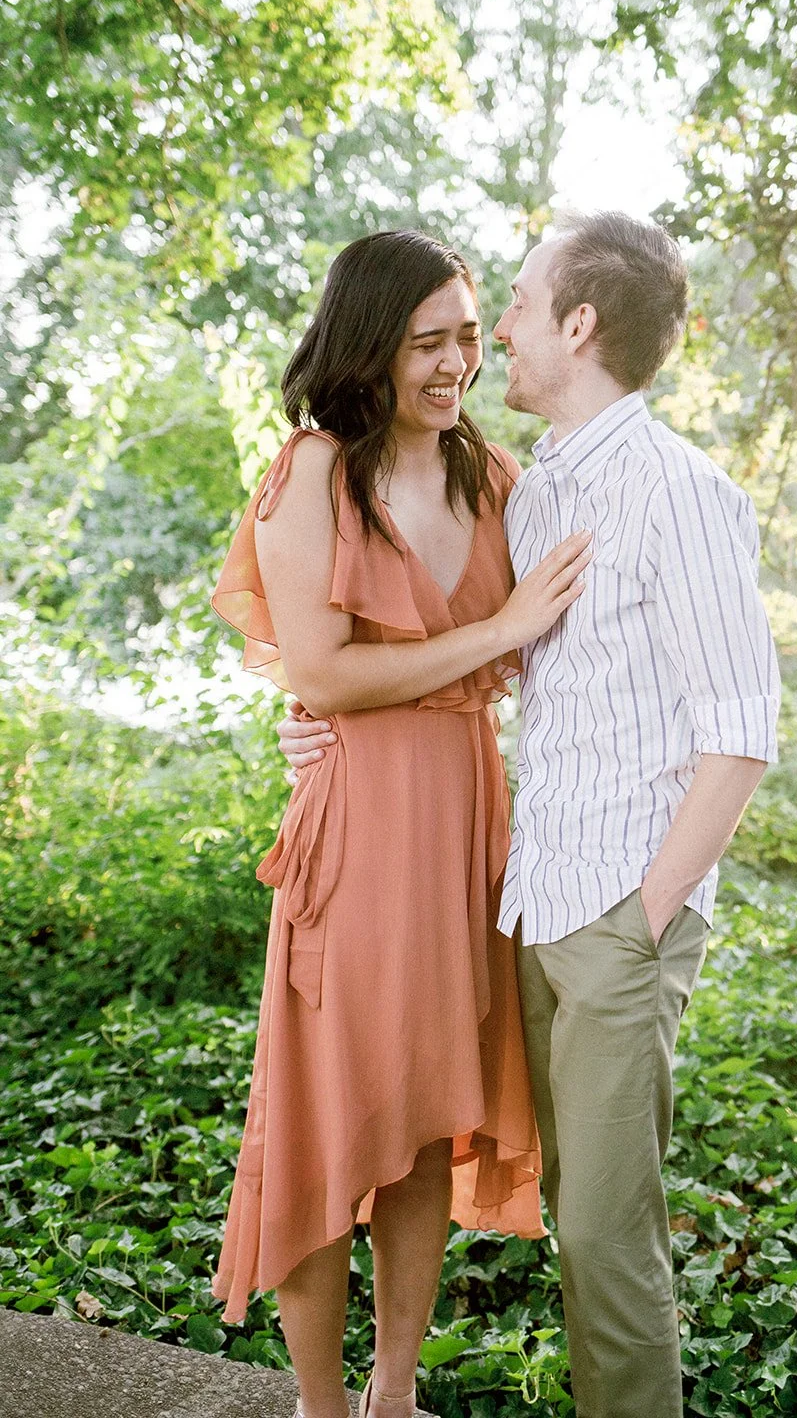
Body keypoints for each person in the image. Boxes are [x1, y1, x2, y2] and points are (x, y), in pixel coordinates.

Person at [280, 211, 781, 1418]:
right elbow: (383, 644)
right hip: (522, 891)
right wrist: (316, 719)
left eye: (502, 308)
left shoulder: (670, 490)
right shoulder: (536, 487)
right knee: (560, 1215)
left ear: (578, 323)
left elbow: (742, 729)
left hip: (607, 908)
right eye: (447, 328)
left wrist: (649, 911)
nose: (488, 335)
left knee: (607, 1242)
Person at [210, 229, 592, 1418]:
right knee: (331, 1122)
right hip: (361, 826)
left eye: (470, 336)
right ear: (368, 346)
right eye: (427, 341)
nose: (454, 364)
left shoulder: (491, 474)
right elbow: (320, 677)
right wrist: (489, 637)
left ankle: (390, 1392)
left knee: (429, 1122)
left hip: (467, 823)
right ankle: (319, 1404)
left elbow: (572, 631)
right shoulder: (315, 471)